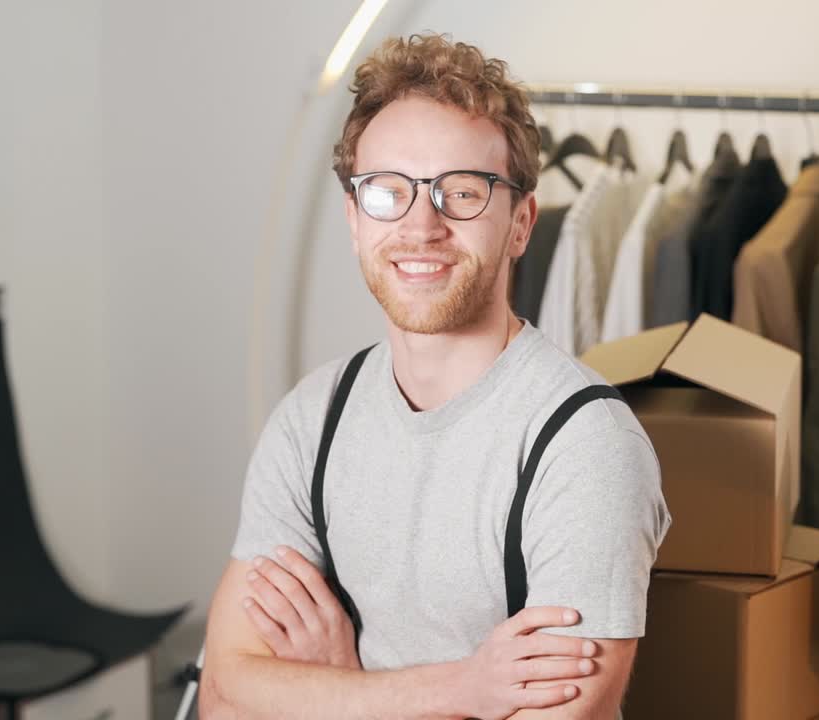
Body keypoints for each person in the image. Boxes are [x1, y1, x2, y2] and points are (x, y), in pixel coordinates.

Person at [200, 33, 670, 719]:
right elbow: (226, 692)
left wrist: (334, 684)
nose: (421, 225)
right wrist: (461, 687)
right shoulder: (311, 421)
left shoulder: (584, 448)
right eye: (387, 192)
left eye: (462, 191)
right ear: (355, 219)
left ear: (520, 223)